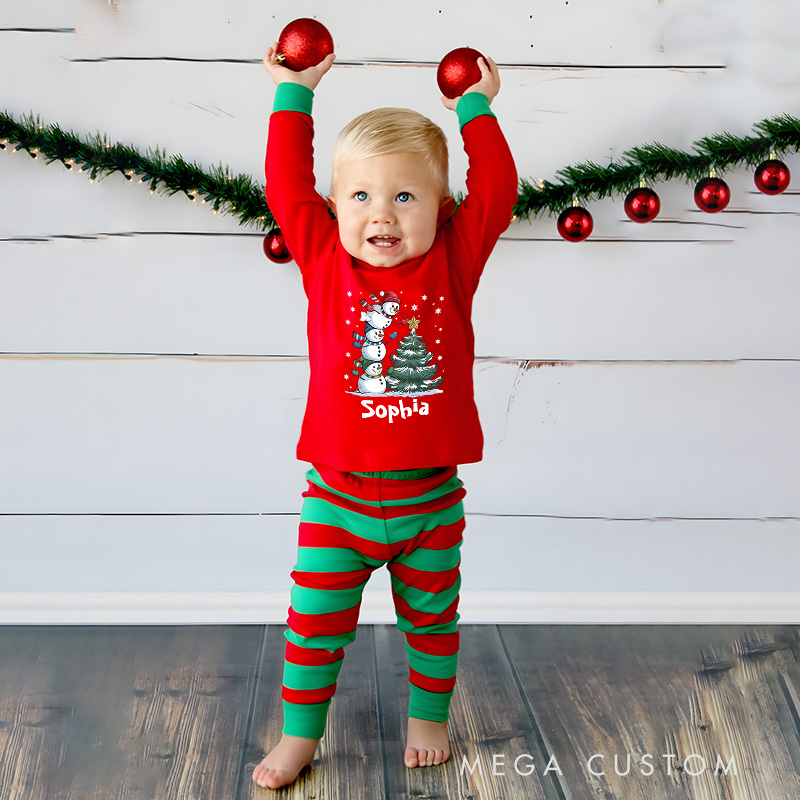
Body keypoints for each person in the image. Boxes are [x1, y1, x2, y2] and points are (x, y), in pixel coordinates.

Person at [253, 39, 517, 790]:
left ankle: (429, 717)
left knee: (432, 623)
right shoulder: (323, 259)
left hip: (429, 499)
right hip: (336, 498)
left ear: (442, 208)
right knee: (315, 624)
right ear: (336, 207)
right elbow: (284, 185)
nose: (383, 216)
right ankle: (301, 734)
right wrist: (293, 96)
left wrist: (474, 110)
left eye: (405, 197)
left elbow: (497, 190)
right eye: (363, 197)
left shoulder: (454, 261)